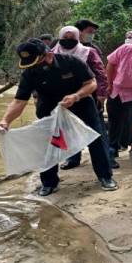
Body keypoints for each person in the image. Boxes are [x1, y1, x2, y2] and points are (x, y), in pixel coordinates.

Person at [0, 39, 117, 196]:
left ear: (47, 55)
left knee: (95, 139)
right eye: (29, 64)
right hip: (49, 108)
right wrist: (5, 120)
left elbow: (91, 83)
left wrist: (76, 96)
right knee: (47, 144)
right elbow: (19, 101)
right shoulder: (30, 73)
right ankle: (49, 183)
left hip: (81, 103)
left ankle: (105, 176)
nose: (32, 67)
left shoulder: (72, 62)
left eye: (35, 62)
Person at [52, 26, 109, 170]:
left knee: (96, 131)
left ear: (78, 38)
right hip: (63, 100)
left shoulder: (88, 52)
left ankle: (105, 163)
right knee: (69, 130)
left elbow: (100, 74)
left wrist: (102, 95)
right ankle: (73, 157)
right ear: (60, 37)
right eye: (65, 38)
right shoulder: (52, 53)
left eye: (72, 38)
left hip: (88, 96)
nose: (68, 41)